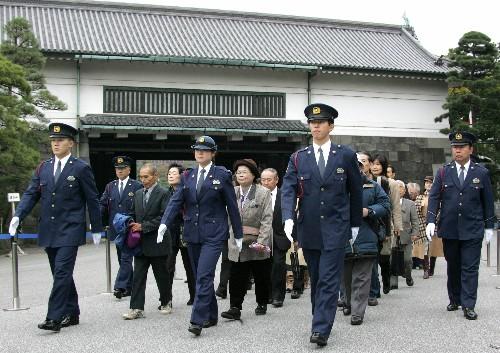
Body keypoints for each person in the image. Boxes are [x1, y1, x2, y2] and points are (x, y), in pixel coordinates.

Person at [281, 103, 363, 347]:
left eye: (321, 122)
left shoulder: (345, 155)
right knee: (317, 279)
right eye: (312, 122)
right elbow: (288, 189)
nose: (315, 125)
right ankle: (321, 317)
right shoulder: (298, 158)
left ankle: (320, 329)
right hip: (309, 229)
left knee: (328, 278)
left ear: (331, 125)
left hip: (336, 228)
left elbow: (355, 191)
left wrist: (355, 224)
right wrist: (287, 216)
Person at [9, 122, 103, 332]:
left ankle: (54, 317)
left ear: (71, 143)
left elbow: (92, 199)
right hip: (49, 229)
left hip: (70, 229)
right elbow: (32, 193)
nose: (56, 144)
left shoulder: (80, 168)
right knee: (60, 272)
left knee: (61, 271)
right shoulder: (44, 167)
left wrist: (97, 227)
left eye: (60, 140)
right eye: (53, 141)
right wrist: (18, 215)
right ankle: (73, 311)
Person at [159, 136, 243, 336]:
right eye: (197, 149)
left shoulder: (221, 174)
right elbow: (176, 201)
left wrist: (237, 234)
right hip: (192, 233)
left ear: (213, 153)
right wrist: (164, 223)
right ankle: (212, 315)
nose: (200, 153)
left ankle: (197, 319)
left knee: (204, 275)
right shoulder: (187, 175)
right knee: (199, 276)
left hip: (214, 233)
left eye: (204, 150)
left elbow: (232, 206)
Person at [426, 131, 495, 320]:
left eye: (462, 147)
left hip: (472, 228)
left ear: (470, 149)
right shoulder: (443, 171)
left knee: (470, 267)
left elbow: (487, 200)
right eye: (455, 147)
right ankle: (455, 298)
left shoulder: (481, 172)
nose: (457, 150)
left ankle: (469, 304)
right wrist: (431, 220)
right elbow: (434, 197)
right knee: (453, 265)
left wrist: (490, 225)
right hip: (450, 228)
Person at [221, 159, 273, 319]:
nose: (240, 174)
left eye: (244, 172)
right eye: (238, 172)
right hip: (236, 241)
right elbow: (226, 217)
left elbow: (267, 219)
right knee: (236, 275)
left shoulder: (263, 192)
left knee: (261, 275)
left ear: (253, 175)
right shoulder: (232, 191)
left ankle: (262, 302)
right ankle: (235, 307)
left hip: (257, 241)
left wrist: (262, 242)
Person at [343, 154, 390, 325]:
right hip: (343, 238)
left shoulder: (373, 186)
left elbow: (385, 205)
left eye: (358, 167)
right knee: (346, 277)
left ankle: (357, 312)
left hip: (367, 235)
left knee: (362, 278)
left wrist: (369, 211)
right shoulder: (337, 186)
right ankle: (348, 302)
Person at [122, 163, 171, 320]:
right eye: (141, 177)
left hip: (157, 241)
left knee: (161, 274)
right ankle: (136, 307)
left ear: (155, 176)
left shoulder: (163, 193)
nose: (143, 180)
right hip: (141, 243)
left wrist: (144, 226)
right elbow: (132, 212)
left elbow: (165, 216)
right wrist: (129, 221)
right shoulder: (137, 194)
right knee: (138, 276)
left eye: (146, 177)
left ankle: (166, 301)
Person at [99, 156, 142, 299]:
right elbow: (103, 205)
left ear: (129, 169)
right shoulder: (110, 186)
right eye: (117, 169)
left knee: (126, 258)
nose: (120, 171)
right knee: (121, 257)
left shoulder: (136, 186)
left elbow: (140, 207)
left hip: (129, 228)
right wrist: (96, 219)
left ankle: (120, 286)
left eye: (123, 168)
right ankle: (129, 287)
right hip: (116, 228)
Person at [368, 154, 402, 296]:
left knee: (384, 257)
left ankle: (386, 279)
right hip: (371, 222)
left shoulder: (391, 184)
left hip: (386, 224)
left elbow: (395, 206)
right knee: (372, 257)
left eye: (378, 164)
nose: (375, 167)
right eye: (373, 164)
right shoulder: (366, 181)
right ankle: (374, 287)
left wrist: (397, 226)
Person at [165, 163, 196, 306]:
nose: (170, 175)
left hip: (186, 232)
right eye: (169, 173)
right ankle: (167, 298)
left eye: (174, 173)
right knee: (168, 266)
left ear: (182, 175)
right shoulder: (165, 193)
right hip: (170, 234)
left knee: (190, 266)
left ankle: (195, 296)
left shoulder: (188, 191)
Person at [260, 168, 292, 308]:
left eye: (269, 179)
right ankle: (267, 295)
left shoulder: (284, 195)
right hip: (262, 236)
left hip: (280, 235)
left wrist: (293, 235)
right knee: (264, 266)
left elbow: (291, 215)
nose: (266, 183)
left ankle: (278, 296)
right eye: (263, 180)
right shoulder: (256, 195)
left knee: (278, 265)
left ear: (277, 180)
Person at [389, 180, 418, 288]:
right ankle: (393, 281)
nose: (398, 188)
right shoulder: (388, 202)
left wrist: (415, 233)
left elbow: (415, 220)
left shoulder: (410, 204)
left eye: (400, 187)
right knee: (392, 258)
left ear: (404, 190)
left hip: (406, 234)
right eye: (395, 186)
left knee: (407, 260)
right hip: (392, 235)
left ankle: (408, 275)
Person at [414, 176, 444, 278]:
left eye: (430, 182)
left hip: (435, 224)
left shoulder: (438, 197)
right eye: (426, 182)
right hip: (423, 224)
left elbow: (441, 211)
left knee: (434, 247)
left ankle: (432, 268)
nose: (428, 184)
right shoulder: (420, 197)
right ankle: (426, 269)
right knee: (425, 247)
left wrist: (436, 222)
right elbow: (416, 212)